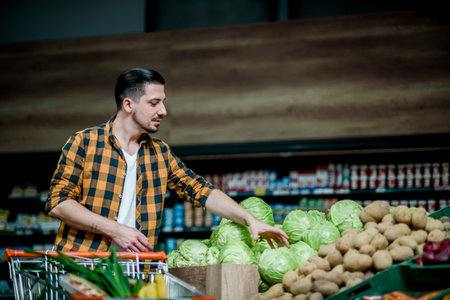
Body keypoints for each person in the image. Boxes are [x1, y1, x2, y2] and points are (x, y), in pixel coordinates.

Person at [45, 67, 290, 252]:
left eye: (163, 102)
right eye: (154, 103)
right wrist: (115, 229)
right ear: (128, 104)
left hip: (137, 269)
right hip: (82, 265)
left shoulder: (160, 153)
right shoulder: (85, 142)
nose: (163, 111)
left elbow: (200, 190)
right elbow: (58, 203)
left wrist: (251, 220)